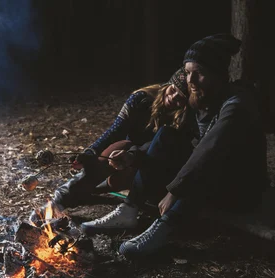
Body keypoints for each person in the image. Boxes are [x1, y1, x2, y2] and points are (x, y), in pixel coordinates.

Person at [81, 34, 269, 258]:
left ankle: (165, 228)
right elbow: (172, 147)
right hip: (210, 177)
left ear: (217, 74)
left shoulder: (236, 105)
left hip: (241, 188)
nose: (190, 80)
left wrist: (175, 189)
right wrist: (133, 156)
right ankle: (129, 210)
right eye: (187, 72)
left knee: (208, 166)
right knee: (167, 135)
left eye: (198, 73)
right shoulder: (201, 100)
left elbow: (210, 151)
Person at [29, 68, 191, 224]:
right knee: (117, 150)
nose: (174, 97)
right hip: (126, 155)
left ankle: (101, 190)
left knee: (119, 175)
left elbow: (163, 151)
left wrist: (133, 157)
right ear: (167, 85)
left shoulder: (185, 117)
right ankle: (60, 199)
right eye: (173, 90)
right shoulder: (141, 99)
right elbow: (115, 131)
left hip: (152, 166)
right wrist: (91, 152)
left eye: (181, 97)